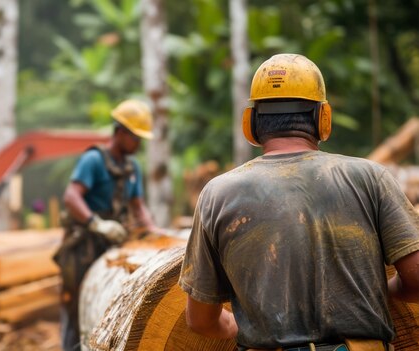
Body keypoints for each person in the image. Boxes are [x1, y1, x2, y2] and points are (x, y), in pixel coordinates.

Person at [178, 53, 419, 351]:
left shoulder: (217, 193)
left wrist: (233, 324)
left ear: (251, 122)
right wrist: (388, 291)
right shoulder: (370, 177)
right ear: (323, 118)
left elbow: (200, 320)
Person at [53, 99, 159, 351]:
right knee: (76, 305)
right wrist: (96, 223)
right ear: (120, 131)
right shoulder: (94, 160)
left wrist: (154, 232)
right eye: (135, 137)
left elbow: (138, 206)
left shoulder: (133, 167)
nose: (139, 143)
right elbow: (71, 196)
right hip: (84, 245)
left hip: (113, 245)